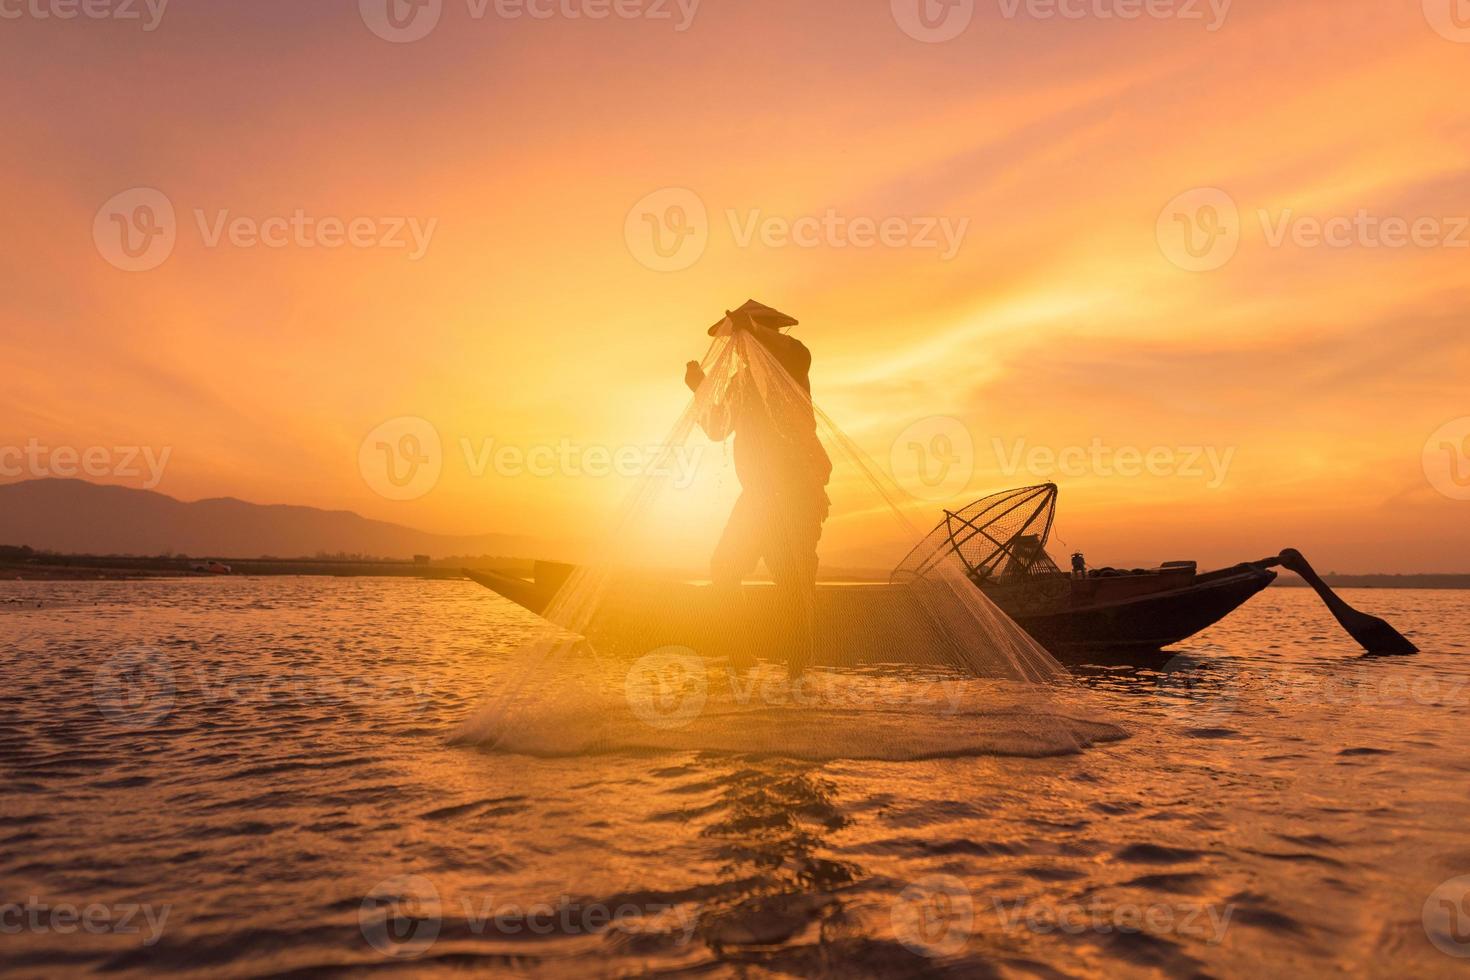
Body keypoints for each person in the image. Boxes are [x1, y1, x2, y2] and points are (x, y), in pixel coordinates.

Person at [683, 300, 832, 673]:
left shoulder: (794, 359)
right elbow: (718, 429)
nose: (740, 344)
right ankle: (741, 656)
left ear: (769, 331)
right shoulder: (741, 382)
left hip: (798, 490)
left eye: (747, 335)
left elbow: (784, 349)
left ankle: (798, 666)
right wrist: (700, 389)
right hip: (758, 496)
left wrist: (751, 327)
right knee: (725, 567)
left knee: (792, 579)